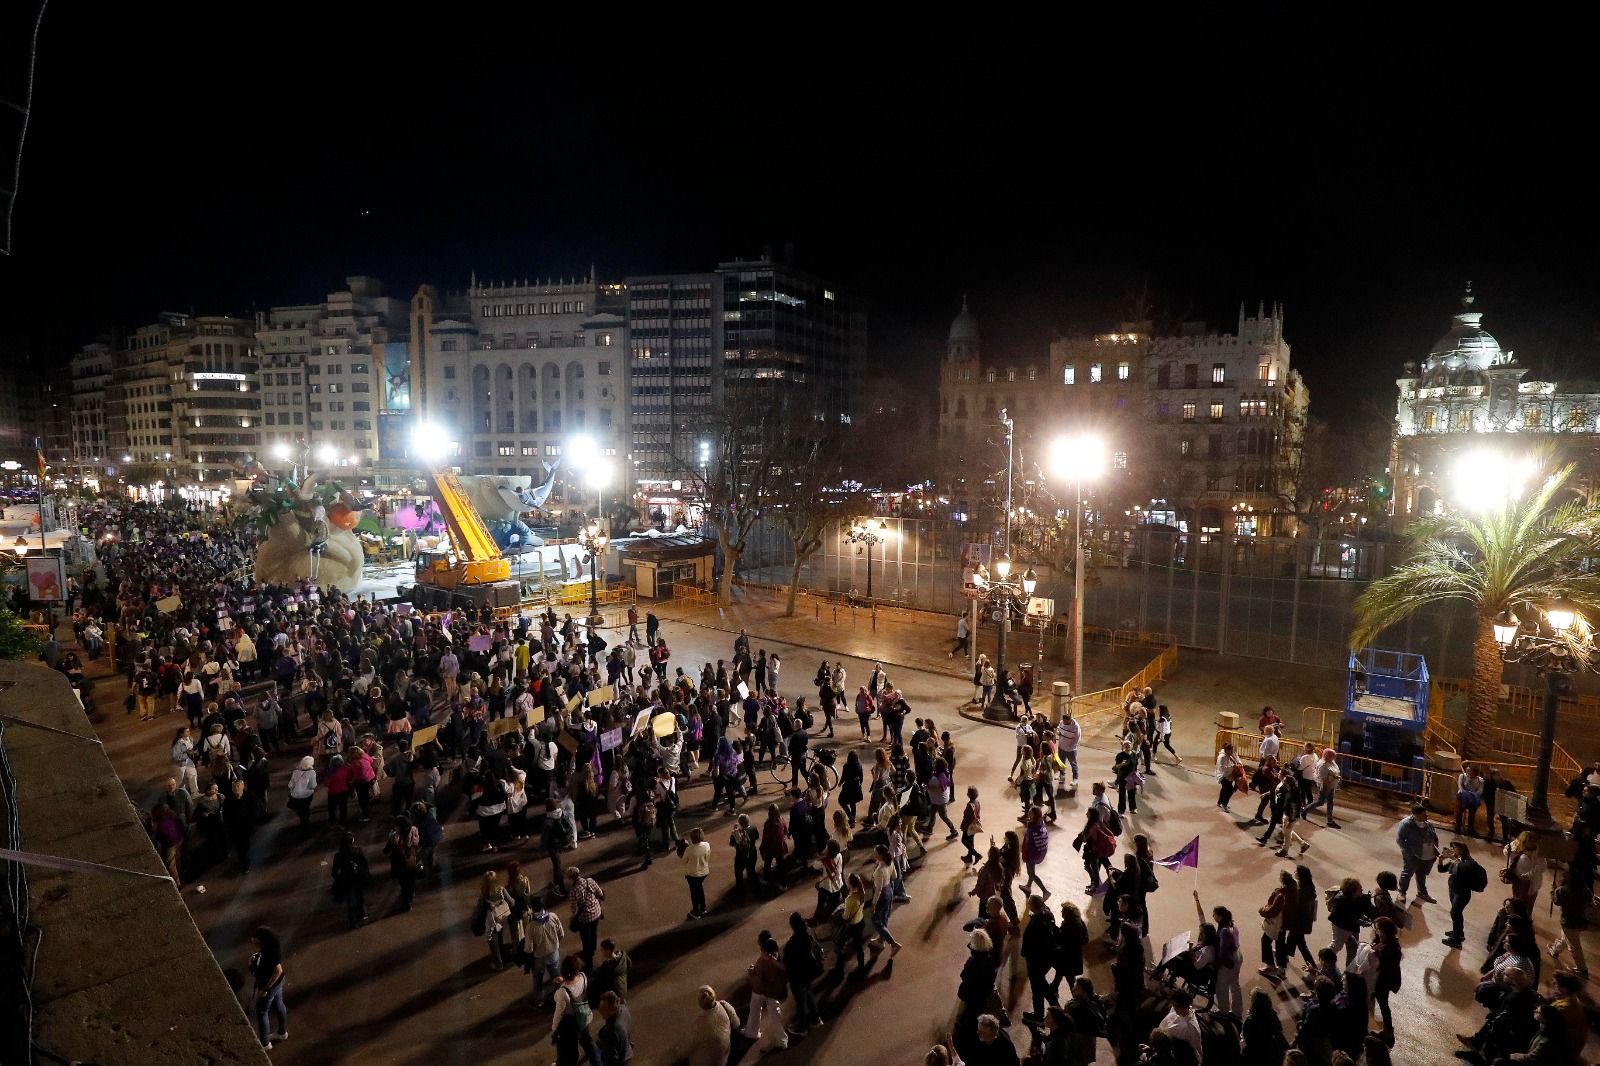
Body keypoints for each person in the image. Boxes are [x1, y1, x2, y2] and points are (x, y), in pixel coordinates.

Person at [743, 930, 789, 1053]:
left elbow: (760, 976)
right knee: (773, 1016)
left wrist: (752, 972)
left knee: (757, 1010)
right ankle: (781, 1040)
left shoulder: (767, 961)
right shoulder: (777, 959)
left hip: (763, 991)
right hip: (771, 993)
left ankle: (752, 1032)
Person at [552, 955, 601, 1066]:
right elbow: (574, 983)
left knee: (569, 1049)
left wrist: (555, 1028)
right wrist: (564, 980)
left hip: (571, 1024)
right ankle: (597, 1063)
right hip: (584, 1017)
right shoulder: (583, 977)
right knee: (588, 1042)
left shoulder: (562, 992)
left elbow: (558, 1013)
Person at [1438, 839, 1488, 948]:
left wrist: (1456, 860)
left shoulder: (1469, 861)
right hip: (1453, 891)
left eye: (1454, 847)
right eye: (1451, 847)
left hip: (1462, 893)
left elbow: (1466, 869)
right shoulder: (1456, 860)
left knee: (1454, 913)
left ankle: (1456, 940)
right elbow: (1441, 870)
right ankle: (1459, 933)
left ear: (1461, 849)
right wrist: (1441, 860)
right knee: (1457, 913)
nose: (1452, 850)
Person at [783, 910, 824, 1034]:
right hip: (810, 972)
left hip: (798, 976)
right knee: (808, 993)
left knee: (801, 1002)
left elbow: (787, 962)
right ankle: (816, 1018)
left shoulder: (792, 944)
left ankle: (802, 1027)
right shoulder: (809, 934)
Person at [247, 926, 288, 1050]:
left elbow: (277, 970)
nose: (254, 943)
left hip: (269, 984)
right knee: (279, 1004)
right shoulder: (270, 949)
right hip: (277, 983)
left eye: (256, 941)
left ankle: (265, 1043)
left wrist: (266, 989)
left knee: (262, 1011)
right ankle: (282, 1032)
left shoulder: (270, 953)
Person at [1020, 893, 1059, 1022]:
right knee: (1041, 983)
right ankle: (1054, 1006)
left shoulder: (1036, 924)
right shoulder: (1048, 914)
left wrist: (1026, 955)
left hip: (1036, 960)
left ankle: (1038, 1015)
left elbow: (1031, 944)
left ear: (1031, 907)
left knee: (1037, 987)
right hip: (1048, 957)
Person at [523, 893, 566, 1007]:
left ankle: (539, 1001)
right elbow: (561, 934)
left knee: (538, 980)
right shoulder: (553, 916)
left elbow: (529, 948)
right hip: (553, 954)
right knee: (557, 977)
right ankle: (561, 1000)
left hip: (539, 957)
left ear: (532, 908)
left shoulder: (530, 927)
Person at [1395, 803, 1439, 905]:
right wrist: (1408, 853)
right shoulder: (1406, 824)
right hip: (1414, 855)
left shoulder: (1428, 824)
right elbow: (1400, 839)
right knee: (1407, 874)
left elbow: (1434, 838)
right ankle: (1402, 892)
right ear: (1416, 815)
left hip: (1427, 855)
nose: (1426, 816)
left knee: (1422, 874)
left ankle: (1422, 893)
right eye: (1423, 814)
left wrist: (1436, 850)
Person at [566, 867, 606, 972]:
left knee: (585, 939)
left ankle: (589, 964)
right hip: (597, 912)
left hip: (584, 918)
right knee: (593, 932)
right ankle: (592, 949)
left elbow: (574, 910)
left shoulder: (574, 891)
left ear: (571, 878)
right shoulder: (590, 881)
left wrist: (572, 918)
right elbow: (600, 894)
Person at [1156, 987, 1205, 1064]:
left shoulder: (1191, 1028)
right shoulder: (1176, 1009)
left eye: (1175, 1005)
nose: (1173, 1008)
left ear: (1183, 1006)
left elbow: (1196, 1046)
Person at [1240, 987, 1287, 1066]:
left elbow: (1246, 1037)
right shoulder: (1272, 1016)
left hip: (1255, 1053)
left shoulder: (1250, 1020)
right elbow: (1279, 1030)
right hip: (1269, 1049)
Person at [680, 825, 711, 920]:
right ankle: (703, 908)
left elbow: (684, 861)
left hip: (693, 874)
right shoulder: (706, 844)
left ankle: (696, 911)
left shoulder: (689, 849)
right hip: (704, 871)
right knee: (699, 889)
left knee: (694, 893)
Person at [595, 991, 632, 1065]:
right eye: (600, 1007)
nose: (600, 1010)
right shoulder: (624, 1009)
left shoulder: (611, 1031)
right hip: (627, 1051)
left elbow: (611, 1058)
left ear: (612, 1010)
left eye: (603, 1009)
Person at [960, 786, 985, 867]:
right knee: (971, 841)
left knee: (964, 840)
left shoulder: (970, 805)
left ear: (969, 795)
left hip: (968, 826)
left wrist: (964, 826)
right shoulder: (977, 802)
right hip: (974, 825)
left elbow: (967, 816)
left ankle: (976, 855)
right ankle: (969, 857)